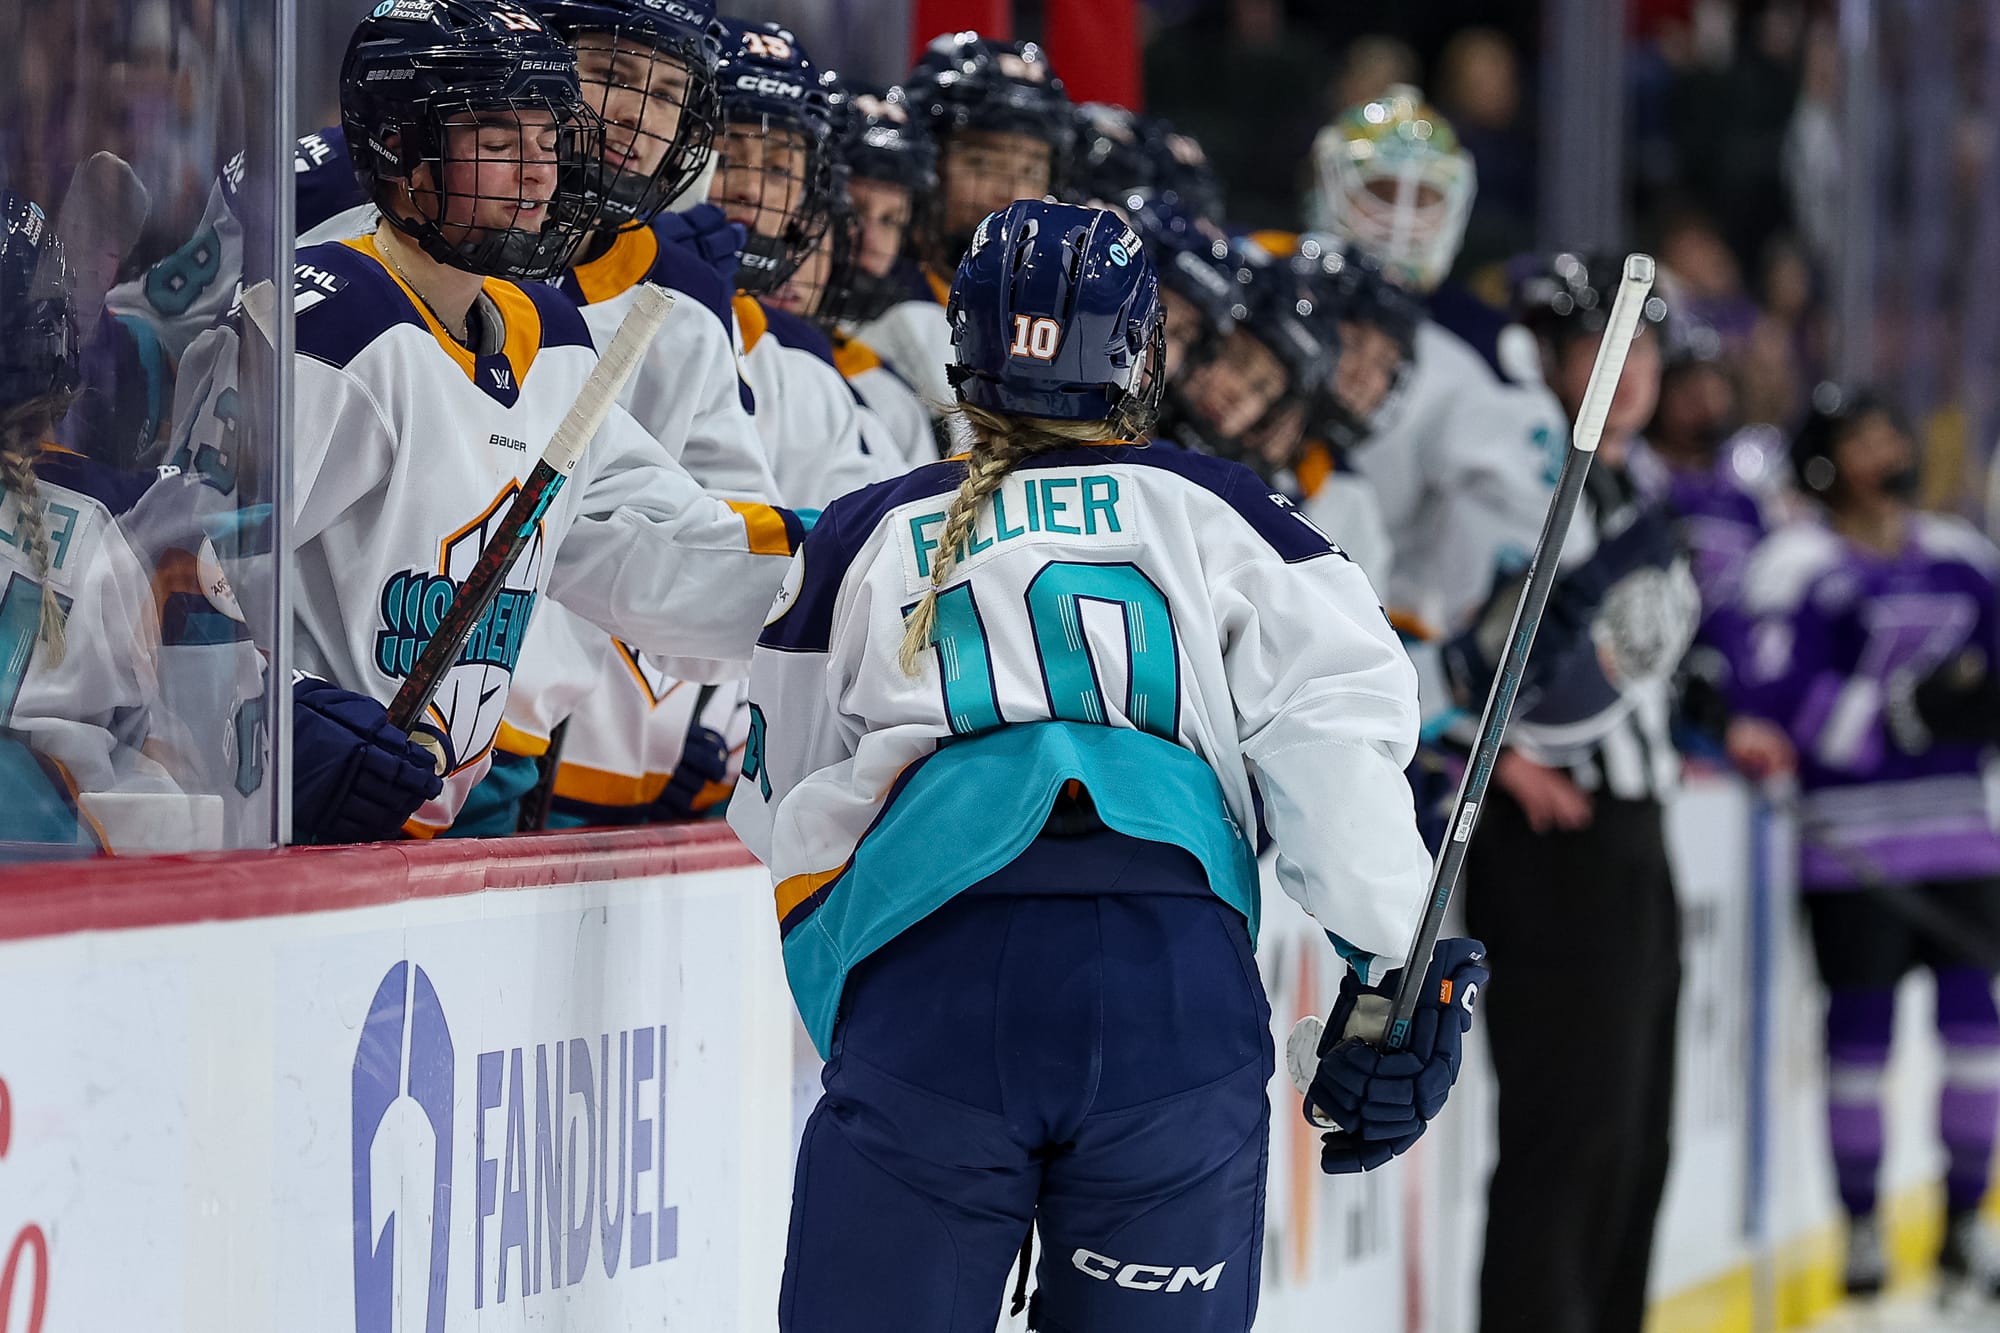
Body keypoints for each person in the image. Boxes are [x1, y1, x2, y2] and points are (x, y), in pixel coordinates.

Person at [728, 198, 1485, 1332]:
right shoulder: (1231, 513)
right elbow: (1333, 755)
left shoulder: (863, 532)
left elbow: (780, 800)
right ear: (1139, 353)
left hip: (930, 994)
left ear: (962, 348)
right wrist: (1394, 969)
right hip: (1165, 999)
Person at [166, 0, 801, 840]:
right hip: (269, 833)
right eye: (500, 146)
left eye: (548, 143)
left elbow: (654, 542)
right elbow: (168, 565)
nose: (539, 175)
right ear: (400, 150)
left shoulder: (552, 340)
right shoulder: (320, 324)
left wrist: (846, 563)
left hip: (436, 832)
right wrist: (283, 721)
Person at [1463, 251, 1699, 1333]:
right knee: (1571, 1132)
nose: (1631, 369)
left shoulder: (1624, 484)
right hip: (1553, 848)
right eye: (1604, 347)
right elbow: (1448, 641)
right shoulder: (1515, 475)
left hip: (1634, 837)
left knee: (1638, 1131)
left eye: (1643, 346)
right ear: (1553, 358)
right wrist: (1492, 750)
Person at [1737, 385, 2000, 1305]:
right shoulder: (1797, 565)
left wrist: (1933, 712)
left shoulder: (1966, 559)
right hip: (1849, 850)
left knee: (1978, 1037)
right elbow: (1775, 704)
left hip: (1961, 837)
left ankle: (1967, 1221)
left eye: (1892, 429)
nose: (1884, 449)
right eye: (1862, 437)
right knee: (1860, 1044)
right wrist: (1885, 711)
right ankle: (1857, 1225)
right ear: (1822, 459)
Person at [707, 18, 888, 509]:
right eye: (726, 159)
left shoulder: (809, 378)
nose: (750, 190)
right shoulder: (574, 312)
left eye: (780, 168)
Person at [855, 31, 1073, 407]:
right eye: (982, 165)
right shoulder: (866, 286)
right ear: (928, 165)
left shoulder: (1047, 314)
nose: (1011, 194)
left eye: (1030, 170)